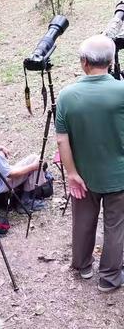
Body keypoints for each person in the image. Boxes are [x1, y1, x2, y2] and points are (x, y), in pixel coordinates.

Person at [56, 35, 124, 292]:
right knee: (116, 226)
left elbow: (62, 141)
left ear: (84, 62)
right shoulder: (121, 91)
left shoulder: (67, 96)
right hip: (119, 176)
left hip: (82, 175)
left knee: (83, 221)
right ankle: (109, 278)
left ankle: (83, 266)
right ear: (110, 60)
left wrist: (72, 173)